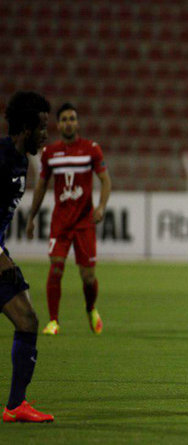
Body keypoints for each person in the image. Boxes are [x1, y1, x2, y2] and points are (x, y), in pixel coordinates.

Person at [26, 103, 111, 336]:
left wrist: (102, 207)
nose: (68, 123)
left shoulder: (91, 149)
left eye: (72, 118)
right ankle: (53, 321)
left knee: (88, 276)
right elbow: (42, 185)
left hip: (84, 223)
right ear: (58, 124)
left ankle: (91, 308)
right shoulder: (51, 153)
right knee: (56, 268)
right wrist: (31, 217)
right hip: (61, 222)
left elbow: (105, 180)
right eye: (64, 119)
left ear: (78, 122)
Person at [1, 91, 54, 422]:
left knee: (28, 320)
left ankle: (15, 406)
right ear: (25, 128)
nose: (45, 134)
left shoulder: (22, 161)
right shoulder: (1, 157)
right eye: (42, 127)